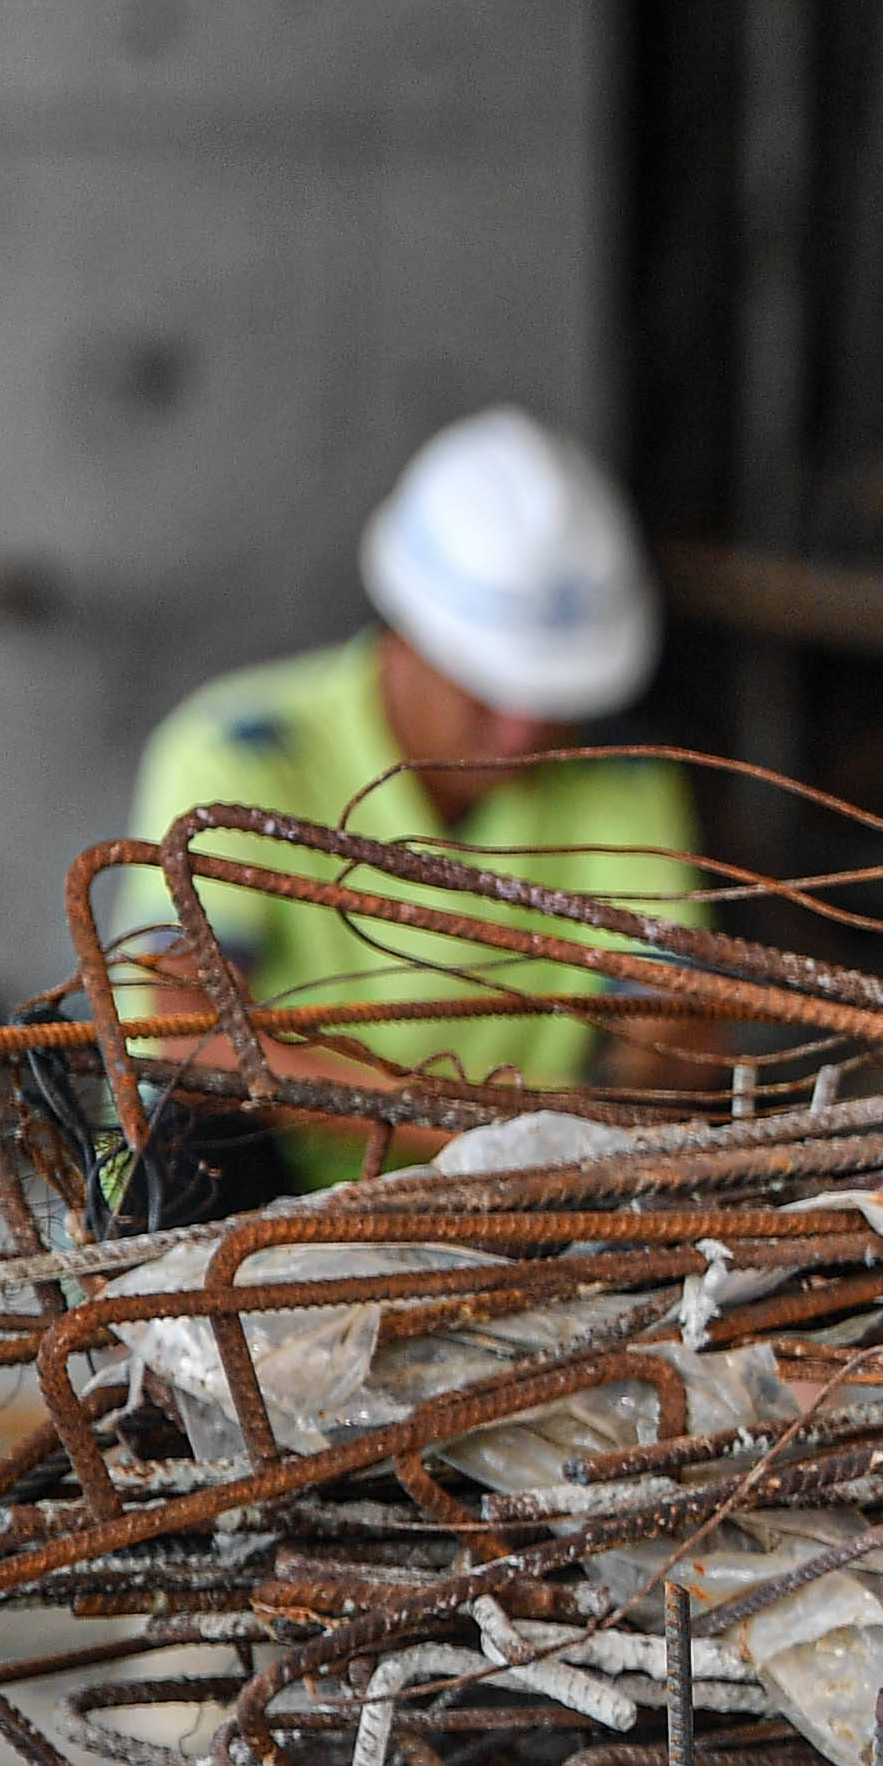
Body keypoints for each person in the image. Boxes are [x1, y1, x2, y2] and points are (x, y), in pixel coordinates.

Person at [117, 408, 701, 1192]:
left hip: (510, 1215)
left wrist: (641, 1069)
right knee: (200, 1139)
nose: (523, 724)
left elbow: (677, 1030)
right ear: (407, 627)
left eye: (553, 692)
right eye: (488, 683)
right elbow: (185, 1032)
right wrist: (468, 1129)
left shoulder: (624, 784)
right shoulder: (241, 752)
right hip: (252, 1207)